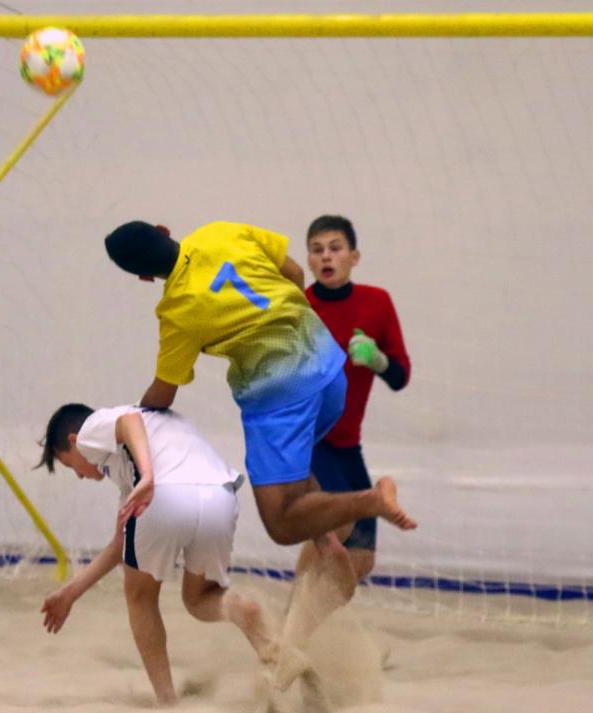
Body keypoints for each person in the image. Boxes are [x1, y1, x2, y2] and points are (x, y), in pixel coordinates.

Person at [102, 220, 417, 554]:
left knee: (280, 523)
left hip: (282, 398)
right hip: (330, 370)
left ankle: (371, 500)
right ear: (164, 230)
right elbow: (295, 272)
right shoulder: (220, 231)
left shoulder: (177, 311)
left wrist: (129, 416)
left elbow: (163, 394)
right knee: (296, 483)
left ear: (144, 277)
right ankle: (329, 539)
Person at [37, 402, 276, 706]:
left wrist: (148, 476)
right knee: (198, 598)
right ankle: (241, 609)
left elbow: (128, 421)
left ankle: (167, 701)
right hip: (220, 495)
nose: (79, 476)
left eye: (71, 465)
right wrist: (70, 594)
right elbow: (120, 545)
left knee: (140, 597)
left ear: (74, 441)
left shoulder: (92, 429)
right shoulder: (135, 455)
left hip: (163, 492)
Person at [302, 214, 411, 583]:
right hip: (309, 439)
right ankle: (292, 618)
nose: (326, 256)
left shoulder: (377, 302)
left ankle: (302, 617)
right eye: (317, 250)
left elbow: (400, 377)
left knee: (361, 558)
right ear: (309, 260)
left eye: (335, 248)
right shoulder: (299, 308)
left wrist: (378, 360)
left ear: (354, 256)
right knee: (335, 526)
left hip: (348, 445)